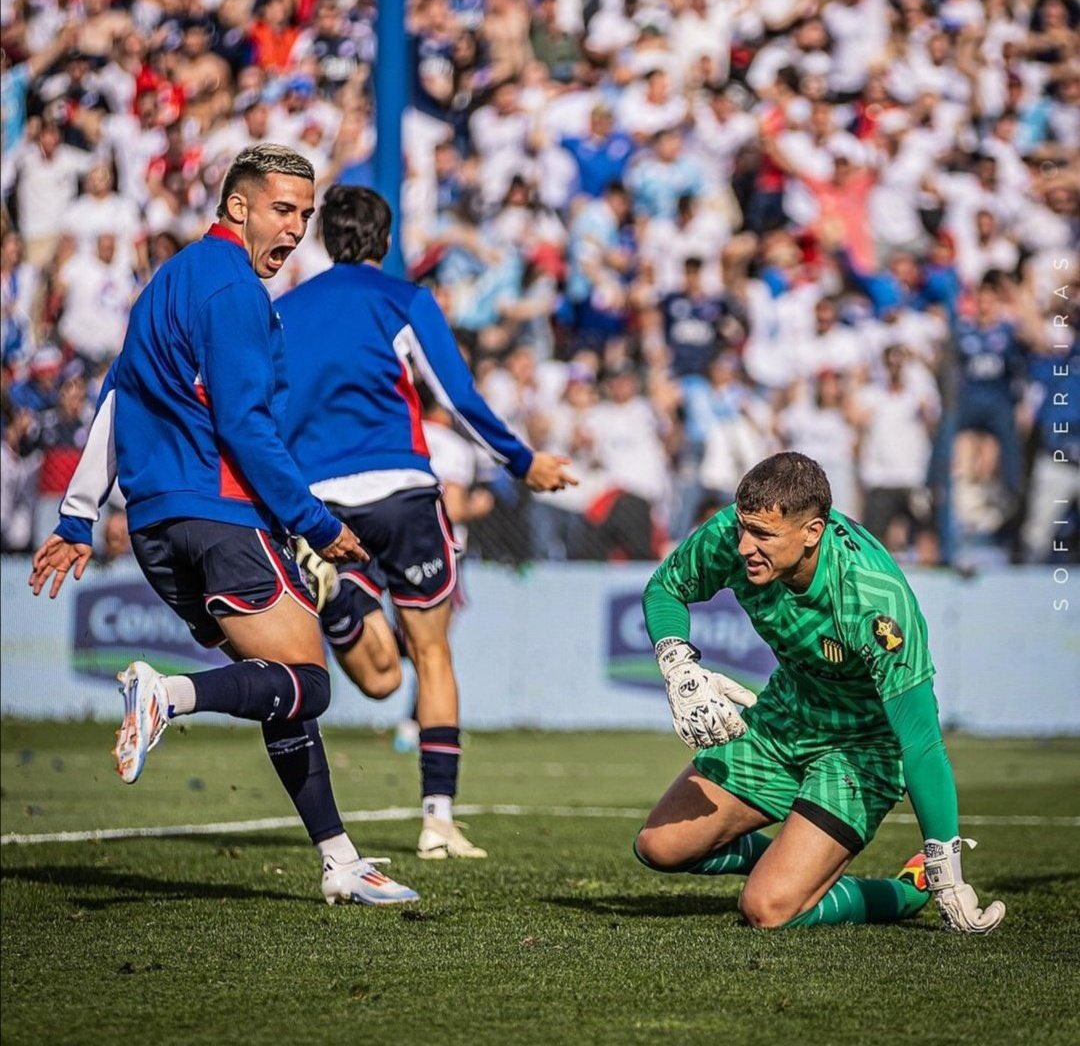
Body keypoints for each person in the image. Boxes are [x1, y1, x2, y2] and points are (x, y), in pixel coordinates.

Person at [27, 144, 419, 908]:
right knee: (307, 684)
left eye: (306, 215)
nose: (298, 229)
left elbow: (115, 400)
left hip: (156, 528)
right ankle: (165, 697)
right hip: (219, 513)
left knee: (280, 688)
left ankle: (339, 859)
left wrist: (78, 517)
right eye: (283, 210)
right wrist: (314, 523)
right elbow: (243, 425)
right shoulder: (234, 290)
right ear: (237, 206)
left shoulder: (165, 282)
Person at [275, 185, 576, 860]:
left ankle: (341, 598)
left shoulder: (283, 313)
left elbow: (259, 414)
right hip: (402, 493)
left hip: (317, 503)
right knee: (429, 655)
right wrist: (522, 461)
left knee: (378, 677)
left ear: (322, 240)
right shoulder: (404, 300)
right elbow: (457, 395)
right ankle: (438, 819)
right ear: (385, 243)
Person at [634, 452, 1005, 934]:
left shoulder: (874, 602)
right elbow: (665, 587)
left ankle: (906, 891)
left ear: (812, 532)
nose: (744, 546)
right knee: (658, 846)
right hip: (787, 715)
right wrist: (677, 665)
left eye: (763, 535)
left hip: (861, 749)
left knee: (766, 909)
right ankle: (797, 867)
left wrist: (945, 869)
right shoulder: (736, 531)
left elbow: (922, 742)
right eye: (744, 528)